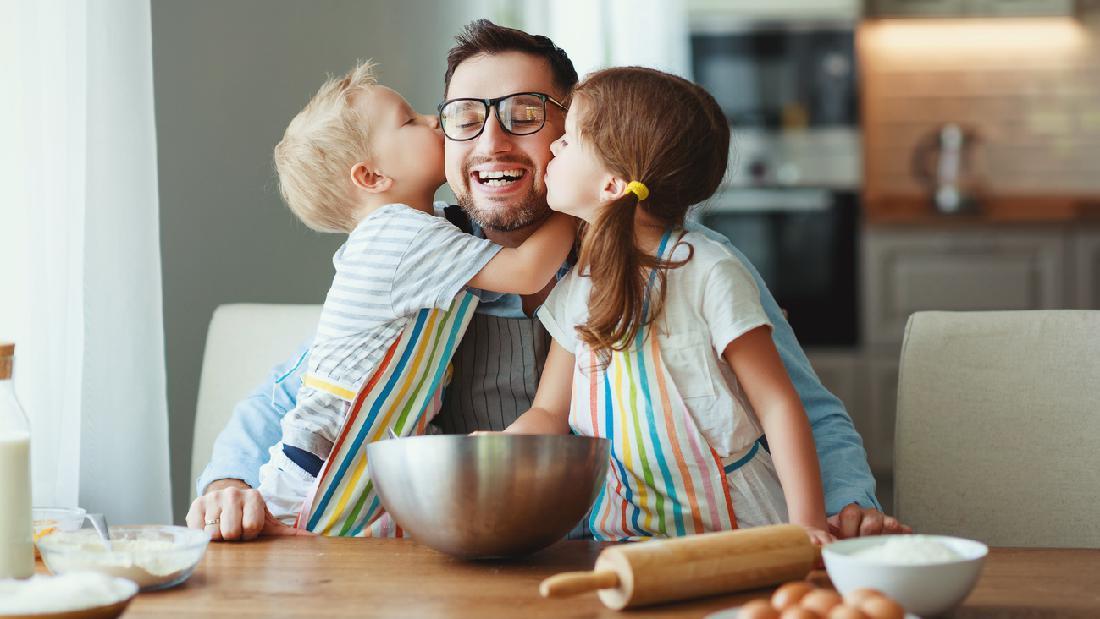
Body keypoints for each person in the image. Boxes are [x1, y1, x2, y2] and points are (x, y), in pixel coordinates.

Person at [186, 19, 910, 542]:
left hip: (648, 553)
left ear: (587, 138)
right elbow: (301, 390)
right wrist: (227, 483)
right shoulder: (430, 265)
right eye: (465, 119)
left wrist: (845, 506)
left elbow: (804, 408)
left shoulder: (691, 264)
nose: (493, 141)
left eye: (527, 116)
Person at [503, 66, 832, 544]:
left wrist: (807, 528)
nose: (553, 146)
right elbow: (549, 414)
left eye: (569, 139)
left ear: (612, 184)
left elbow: (779, 404)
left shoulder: (708, 271)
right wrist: (500, 448)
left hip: (741, 533)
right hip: (625, 538)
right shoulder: (577, 287)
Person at [257, 60, 574, 535]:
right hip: (327, 454)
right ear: (371, 176)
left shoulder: (424, 232)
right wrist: (580, 201)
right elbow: (528, 271)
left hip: (375, 443)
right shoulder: (399, 234)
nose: (434, 120)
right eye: (409, 120)